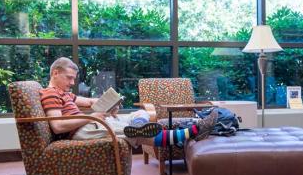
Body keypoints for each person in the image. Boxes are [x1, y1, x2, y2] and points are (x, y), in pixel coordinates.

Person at [39, 57, 217, 147]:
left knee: (141, 113)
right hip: (80, 132)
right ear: (55, 73)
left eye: (73, 79)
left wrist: (110, 103)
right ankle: (192, 131)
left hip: (92, 125)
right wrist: (92, 117)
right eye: (69, 78)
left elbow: (91, 102)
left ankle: (139, 126)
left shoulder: (66, 94)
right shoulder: (50, 94)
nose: (72, 83)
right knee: (136, 132)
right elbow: (57, 126)